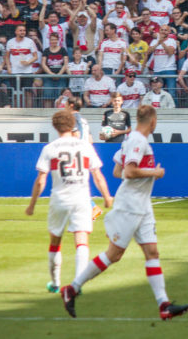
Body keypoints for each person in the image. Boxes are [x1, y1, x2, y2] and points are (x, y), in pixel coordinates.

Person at [60, 106, 188, 320]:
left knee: (152, 253)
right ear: (153, 121)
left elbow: (117, 170)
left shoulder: (133, 140)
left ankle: (164, 305)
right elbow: (129, 172)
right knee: (114, 254)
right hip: (130, 205)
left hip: (142, 205)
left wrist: (145, 175)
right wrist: (154, 172)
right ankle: (72, 289)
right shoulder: (137, 141)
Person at [25, 110, 113, 294]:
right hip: (81, 198)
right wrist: (106, 196)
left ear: (55, 126)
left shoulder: (50, 148)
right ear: (73, 124)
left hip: (59, 198)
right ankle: (77, 285)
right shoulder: (85, 147)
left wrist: (32, 204)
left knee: (55, 241)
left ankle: (55, 283)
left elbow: (41, 180)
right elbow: (97, 175)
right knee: (81, 240)